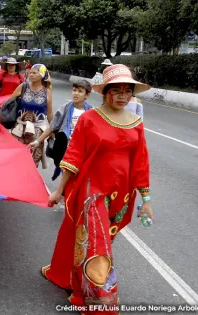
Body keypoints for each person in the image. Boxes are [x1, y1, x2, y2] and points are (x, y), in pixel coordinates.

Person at [43, 64, 154, 314]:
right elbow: (73, 156)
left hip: (122, 195)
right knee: (97, 245)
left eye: (128, 90)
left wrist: (145, 199)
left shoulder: (135, 121)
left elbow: (141, 162)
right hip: (93, 192)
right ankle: (98, 302)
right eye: (118, 90)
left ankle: (69, 278)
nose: (123, 95)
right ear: (105, 92)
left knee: (94, 242)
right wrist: (59, 191)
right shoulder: (89, 119)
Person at [30, 80, 93, 181]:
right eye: (74, 90)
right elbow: (52, 126)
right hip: (66, 148)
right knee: (67, 174)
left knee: (77, 176)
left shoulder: (90, 111)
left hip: (81, 150)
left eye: (80, 91)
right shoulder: (65, 108)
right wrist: (38, 141)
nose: (76, 93)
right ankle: (63, 191)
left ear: (87, 95)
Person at [0, 64, 52, 167]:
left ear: (42, 75)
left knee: (32, 163)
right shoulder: (23, 86)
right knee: (14, 160)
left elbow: (50, 114)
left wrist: (53, 131)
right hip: (19, 130)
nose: (31, 75)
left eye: (34, 73)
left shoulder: (47, 92)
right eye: (30, 72)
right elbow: (8, 103)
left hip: (37, 133)